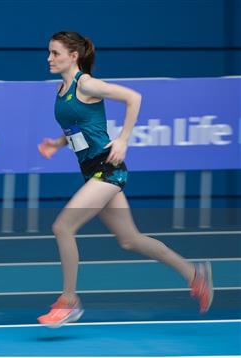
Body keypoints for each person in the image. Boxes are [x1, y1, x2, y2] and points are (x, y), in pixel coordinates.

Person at [36, 31, 213, 328]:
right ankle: (194, 274)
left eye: (55, 53)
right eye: (49, 52)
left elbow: (134, 97)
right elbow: (80, 128)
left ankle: (69, 300)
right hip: (92, 171)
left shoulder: (87, 84)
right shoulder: (61, 89)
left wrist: (123, 139)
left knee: (63, 227)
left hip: (108, 169)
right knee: (131, 240)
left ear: (73, 56)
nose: (49, 58)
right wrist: (57, 144)